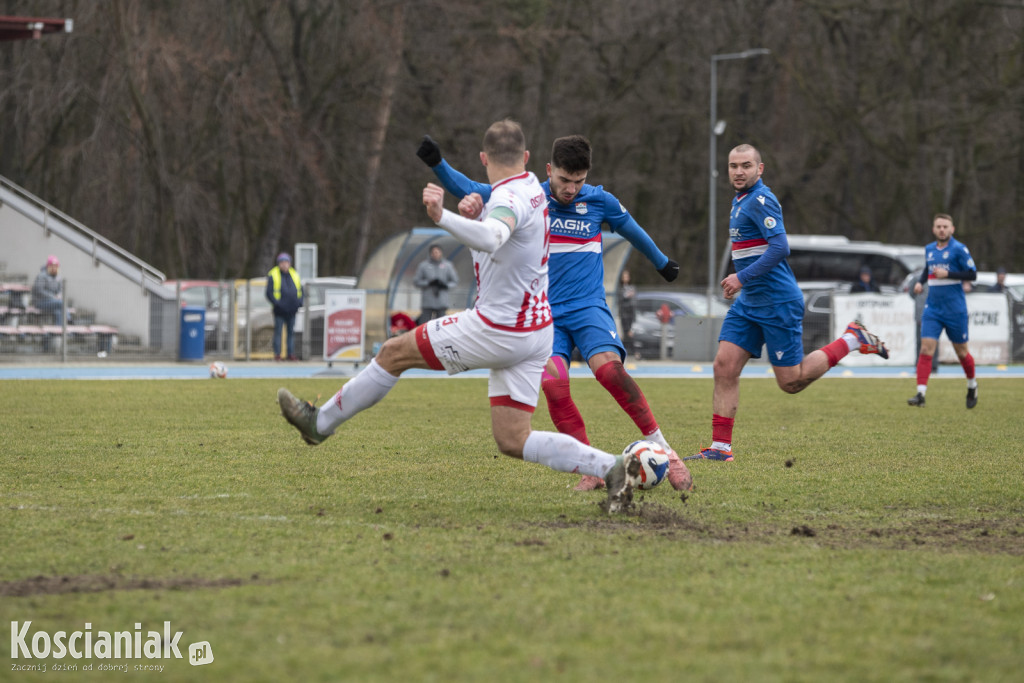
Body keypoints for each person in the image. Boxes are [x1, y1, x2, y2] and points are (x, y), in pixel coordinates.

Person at [278, 119, 656, 513]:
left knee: (392, 353)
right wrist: (475, 210)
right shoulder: (530, 188)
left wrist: (442, 216)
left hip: (497, 327)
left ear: (483, 158)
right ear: (528, 159)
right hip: (535, 332)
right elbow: (491, 215)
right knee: (513, 439)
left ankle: (319, 424)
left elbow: (494, 236)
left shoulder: (509, 198)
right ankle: (612, 468)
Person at [417, 133, 690, 492]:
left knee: (610, 371)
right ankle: (591, 468)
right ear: (548, 170)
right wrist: (436, 162)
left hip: (588, 307)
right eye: (564, 180)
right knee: (554, 386)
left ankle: (668, 453)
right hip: (546, 317)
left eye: (578, 181)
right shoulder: (529, 197)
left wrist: (662, 263)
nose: (570, 189)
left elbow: (633, 230)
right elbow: (469, 186)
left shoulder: (599, 201)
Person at [688, 144, 890, 462]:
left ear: (760, 168)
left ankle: (853, 338)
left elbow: (780, 247)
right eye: (732, 166)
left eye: (745, 165)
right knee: (723, 367)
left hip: (777, 302)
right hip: (750, 303)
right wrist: (742, 278)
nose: (738, 171)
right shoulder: (739, 200)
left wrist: (740, 278)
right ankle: (720, 448)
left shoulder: (761, 200)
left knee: (791, 382)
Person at [907, 213, 978, 408]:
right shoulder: (929, 249)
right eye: (938, 226)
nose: (942, 230)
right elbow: (927, 269)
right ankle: (920, 394)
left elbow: (973, 274)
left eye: (945, 226)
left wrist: (949, 274)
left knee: (962, 353)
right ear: (933, 229)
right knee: (925, 348)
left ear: (952, 229)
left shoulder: (959, 249)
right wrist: (921, 282)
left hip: (955, 309)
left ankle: (972, 385)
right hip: (933, 309)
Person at [265, 252, 303, 361]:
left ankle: (290, 354)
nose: (284, 265)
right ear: (279, 264)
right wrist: (278, 304)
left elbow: (300, 291)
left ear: (290, 263)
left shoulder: (294, 274)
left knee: (291, 333)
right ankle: (277, 354)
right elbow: (269, 293)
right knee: (278, 332)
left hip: (292, 310)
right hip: (279, 311)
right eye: (282, 262)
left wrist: (299, 303)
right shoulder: (274, 274)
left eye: (286, 262)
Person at [413, 244, 459, 324]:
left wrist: (445, 285)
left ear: (441, 253)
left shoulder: (447, 266)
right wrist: (428, 283)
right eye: (433, 252)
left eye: (437, 252)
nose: (435, 254)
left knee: (441, 324)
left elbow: (455, 281)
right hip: (427, 302)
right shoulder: (424, 266)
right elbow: (416, 281)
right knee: (424, 324)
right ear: (430, 253)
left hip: (442, 302)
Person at [31, 255, 65, 326]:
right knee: (61, 303)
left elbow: (61, 289)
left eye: (56, 266)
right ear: (48, 266)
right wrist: (53, 297)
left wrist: (59, 295)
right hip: (40, 302)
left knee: (58, 312)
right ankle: (69, 320)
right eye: (52, 266)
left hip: (54, 302)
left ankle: (57, 332)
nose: (54, 268)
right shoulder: (41, 276)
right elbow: (39, 290)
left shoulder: (58, 277)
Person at [617, 269, 636, 350]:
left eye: (627, 276)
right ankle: (633, 352)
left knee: (630, 333)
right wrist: (627, 295)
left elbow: (633, 297)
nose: (626, 278)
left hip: (631, 313)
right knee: (626, 333)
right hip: (624, 314)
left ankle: (632, 351)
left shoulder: (632, 287)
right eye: (624, 276)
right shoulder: (620, 289)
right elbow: (623, 297)